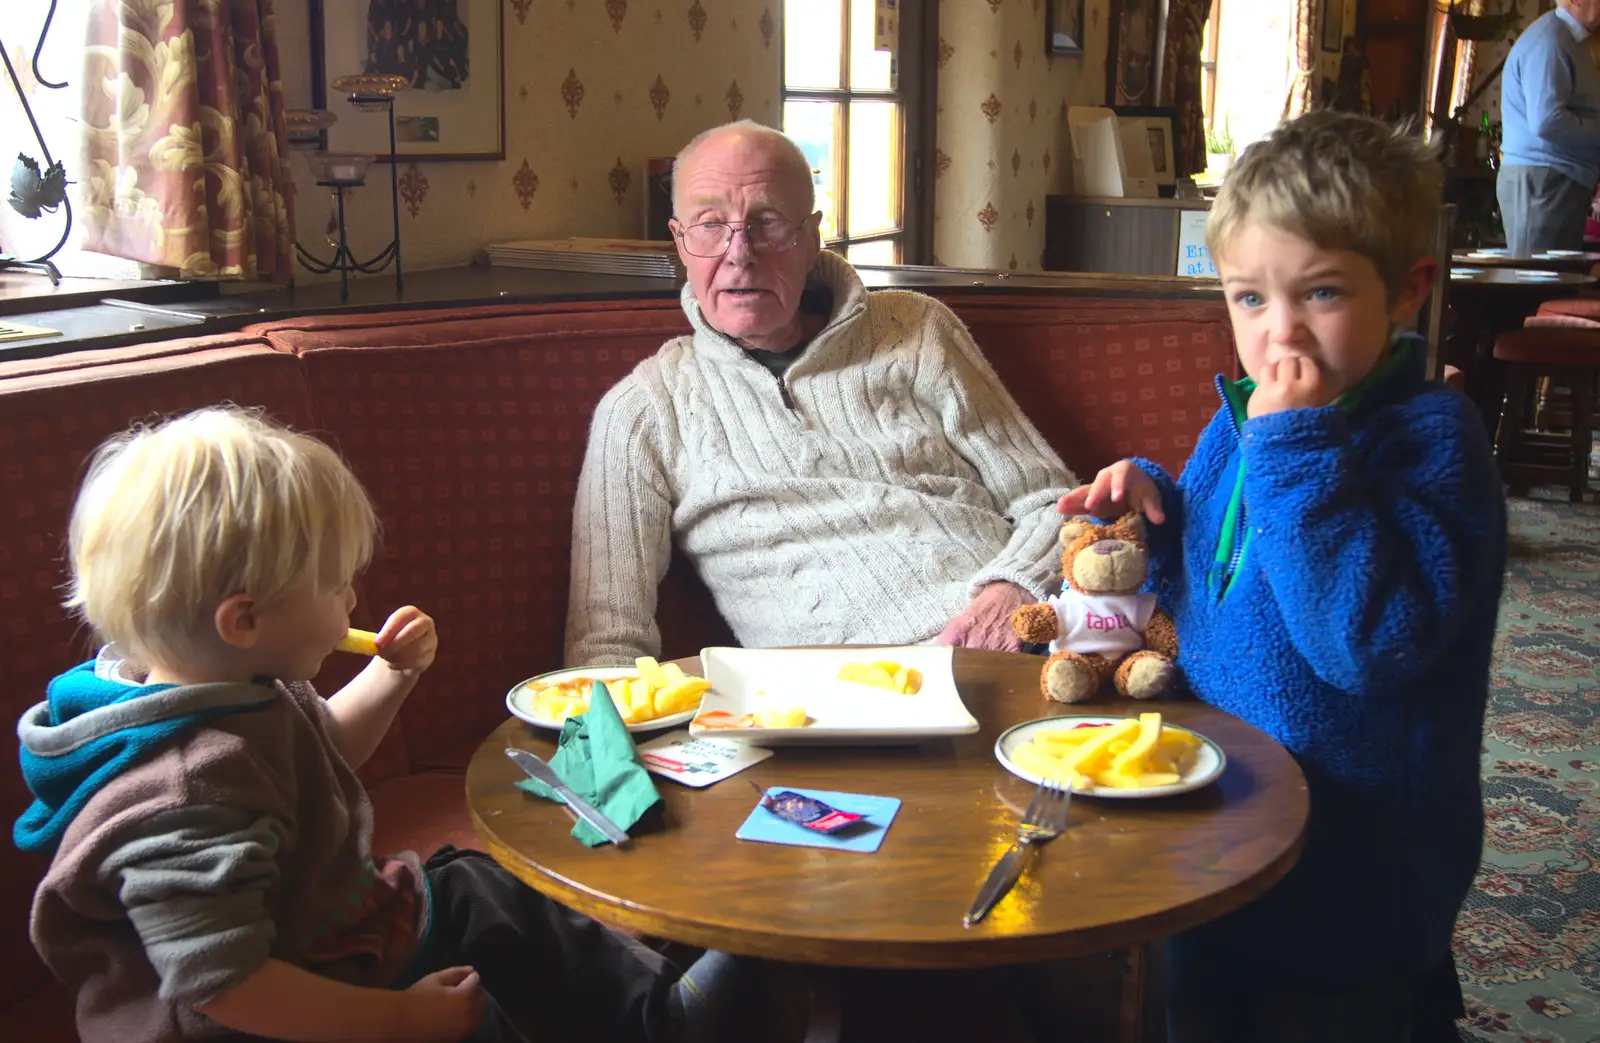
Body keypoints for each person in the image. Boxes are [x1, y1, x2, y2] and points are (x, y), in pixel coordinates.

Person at [15, 407, 730, 1043]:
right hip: (256, 1009)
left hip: (324, 932)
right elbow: (223, 983)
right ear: (244, 620)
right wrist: (400, 1020)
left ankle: (661, 1014)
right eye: (334, 584)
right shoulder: (182, 793)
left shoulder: (230, 687)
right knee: (462, 1016)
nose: (353, 596)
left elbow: (322, 750)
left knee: (470, 889)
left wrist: (394, 675)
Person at [1061, 111, 1506, 1042]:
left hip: (1353, 864)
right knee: (1200, 1005)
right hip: (1218, 821)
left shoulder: (1431, 441)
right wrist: (1159, 498)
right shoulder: (1248, 421)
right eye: (1250, 299)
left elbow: (1366, 643)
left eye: (1323, 293)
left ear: (1409, 292)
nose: (1279, 334)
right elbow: (1229, 556)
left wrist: (1294, 444)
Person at [565, 120, 1076, 666]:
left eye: (769, 223)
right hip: (836, 707)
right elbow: (607, 644)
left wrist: (1011, 591)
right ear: (679, 242)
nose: (740, 253)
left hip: (1028, 642)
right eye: (710, 224)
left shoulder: (917, 329)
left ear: (812, 237)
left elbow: (1053, 502)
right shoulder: (644, 409)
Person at [1497, 0, 1600, 255]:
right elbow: (1547, 121)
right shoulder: (1550, 40)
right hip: (1545, 181)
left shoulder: (1571, 40)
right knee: (1539, 280)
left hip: (1558, 179)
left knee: (1555, 279)